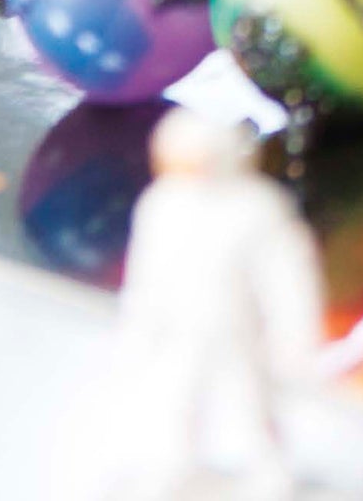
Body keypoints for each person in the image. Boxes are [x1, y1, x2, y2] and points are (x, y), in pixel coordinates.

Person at [112, 109, 323, 501]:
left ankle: (270, 471)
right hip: (182, 326)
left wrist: (293, 336)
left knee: (252, 400)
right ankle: (174, 466)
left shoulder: (256, 207)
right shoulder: (162, 205)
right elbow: (147, 274)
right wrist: (138, 326)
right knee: (174, 398)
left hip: (239, 328)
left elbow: (286, 278)